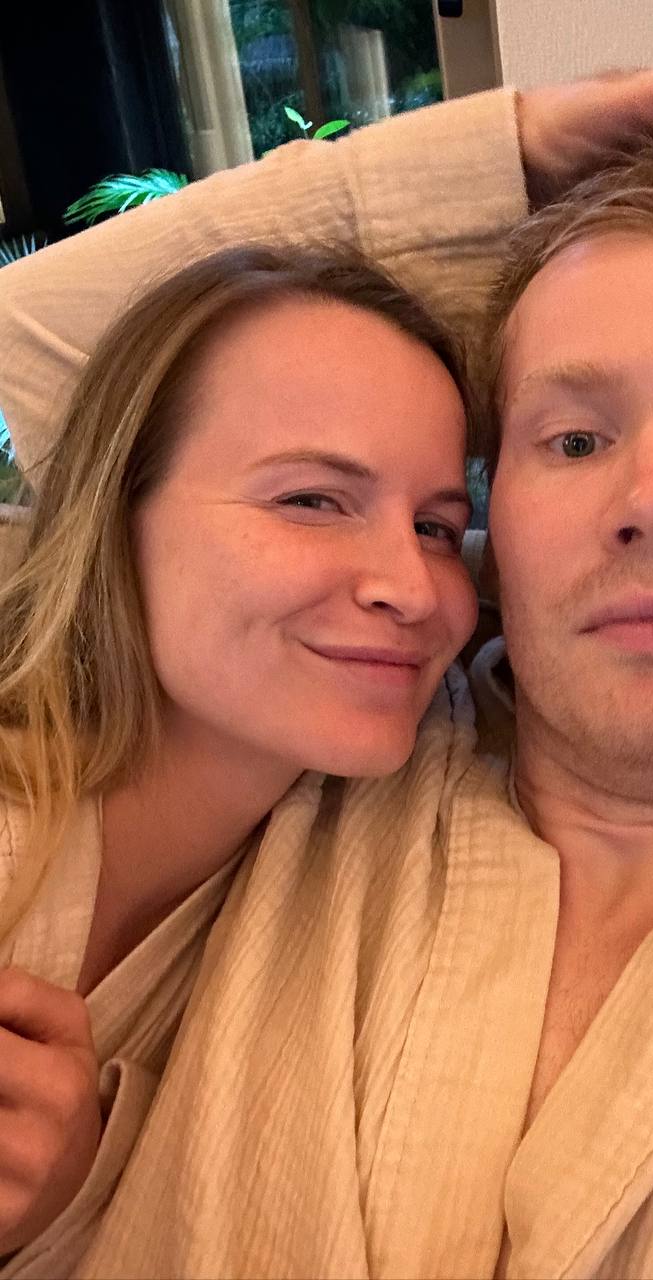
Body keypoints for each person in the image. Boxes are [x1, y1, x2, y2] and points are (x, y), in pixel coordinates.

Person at [0, 65, 653, 1279]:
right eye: (573, 439)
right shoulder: (299, 796)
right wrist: (512, 149)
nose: (651, 499)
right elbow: (40, 341)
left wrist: (62, 1197)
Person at [0, 243, 480, 1268]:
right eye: (311, 499)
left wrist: (61, 1202)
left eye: (440, 527)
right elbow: (19, 313)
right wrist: (535, 160)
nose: (412, 586)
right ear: (117, 512)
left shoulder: (332, 887)